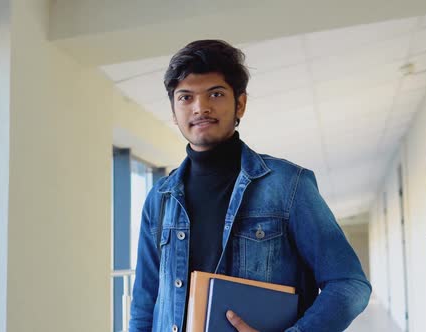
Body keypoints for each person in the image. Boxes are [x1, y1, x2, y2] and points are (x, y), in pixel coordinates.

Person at [129, 40, 371, 332]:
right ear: (173, 110)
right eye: (185, 97)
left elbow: (349, 283)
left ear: (239, 103)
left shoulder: (288, 185)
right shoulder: (160, 198)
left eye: (215, 93)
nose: (200, 107)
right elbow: (144, 304)